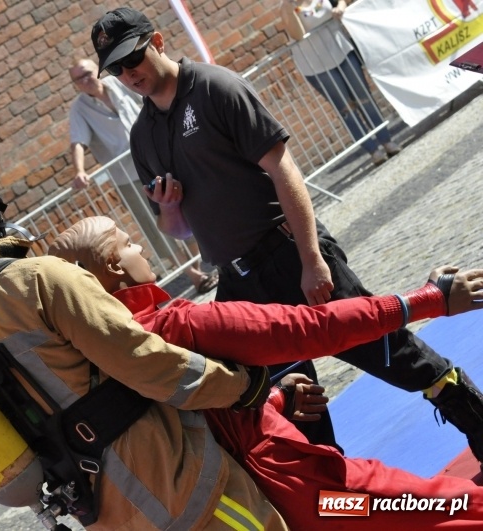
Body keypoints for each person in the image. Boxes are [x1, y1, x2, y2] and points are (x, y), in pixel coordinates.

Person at [93, 6, 483, 459]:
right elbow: (177, 230)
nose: (128, 73)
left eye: (133, 57)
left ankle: (473, 417)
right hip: (240, 284)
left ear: (157, 41)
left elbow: (284, 170)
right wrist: (169, 208)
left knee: (392, 355)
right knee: (297, 405)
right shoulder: (142, 136)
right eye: (117, 68)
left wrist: (312, 259)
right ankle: (339, 499)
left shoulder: (217, 88)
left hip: (288, 253)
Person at [0, 155, 288, 530]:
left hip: (104, 510)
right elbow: (147, 361)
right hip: (183, 489)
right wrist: (241, 386)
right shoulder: (39, 279)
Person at [47, 215, 483, 529]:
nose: (141, 247)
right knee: (455, 510)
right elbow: (311, 328)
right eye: (128, 242)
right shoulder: (172, 325)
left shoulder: (97, 358)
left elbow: (187, 419)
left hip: (244, 496)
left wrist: (272, 399)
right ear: (114, 267)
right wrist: (428, 299)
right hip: (304, 489)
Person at [68, 57, 218, 294]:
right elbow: (77, 142)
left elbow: (151, 102)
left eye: (87, 73)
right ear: (75, 84)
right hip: (126, 175)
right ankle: (194, 275)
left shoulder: (119, 83)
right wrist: (79, 170)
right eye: (79, 78)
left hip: (154, 157)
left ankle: (196, 266)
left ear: (97, 70)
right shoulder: (79, 108)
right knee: (154, 224)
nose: (85, 80)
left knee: (183, 209)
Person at [280, 0, 401, 165]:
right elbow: (298, 34)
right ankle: (373, 150)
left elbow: (340, 2)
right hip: (316, 66)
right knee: (346, 108)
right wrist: (288, 6)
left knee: (364, 97)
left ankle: (386, 140)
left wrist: (340, 9)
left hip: (342, 50)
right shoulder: (288, 7)